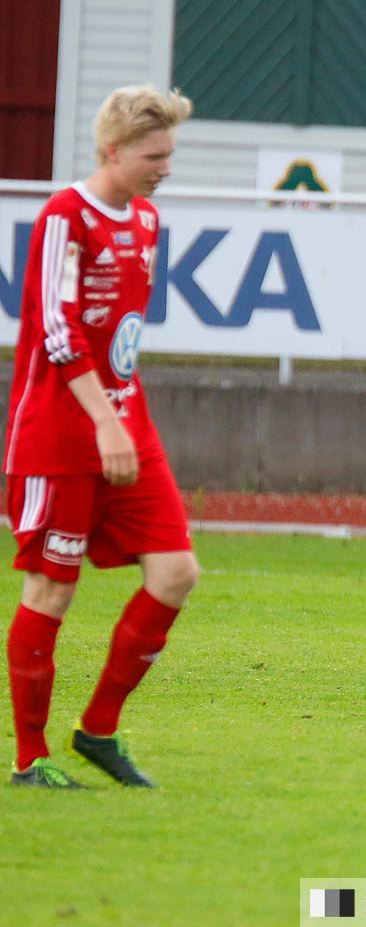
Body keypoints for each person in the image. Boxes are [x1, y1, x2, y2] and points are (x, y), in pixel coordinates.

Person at [6, 86, 200, 789]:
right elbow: (55, 330)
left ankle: (98, 730)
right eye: (155, 155)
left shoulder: (146, 219)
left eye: (170, 154)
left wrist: (122, 418)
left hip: (125, 422)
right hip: (61, 435)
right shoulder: (65, 214)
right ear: (113, 151)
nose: (165, 168)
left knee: (176, 571)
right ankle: (32, 761)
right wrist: (104, 420)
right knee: (50, 591)